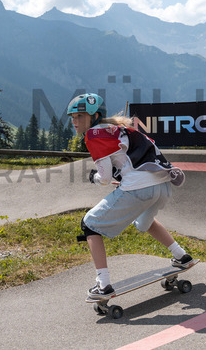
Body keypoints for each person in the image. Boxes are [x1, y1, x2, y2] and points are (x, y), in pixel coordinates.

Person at [67, 93, 194, 300]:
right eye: (72, 117)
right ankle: (182, 256)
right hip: (162, 185)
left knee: (89, 224)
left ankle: (103, 285)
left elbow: (104, 178)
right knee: (145, 221)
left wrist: (94, 177)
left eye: (79, 116)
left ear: (95, 116)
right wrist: (127, 178)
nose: (74, 121)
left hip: (139, 187)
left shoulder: (94, 134)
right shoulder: (119, 128)